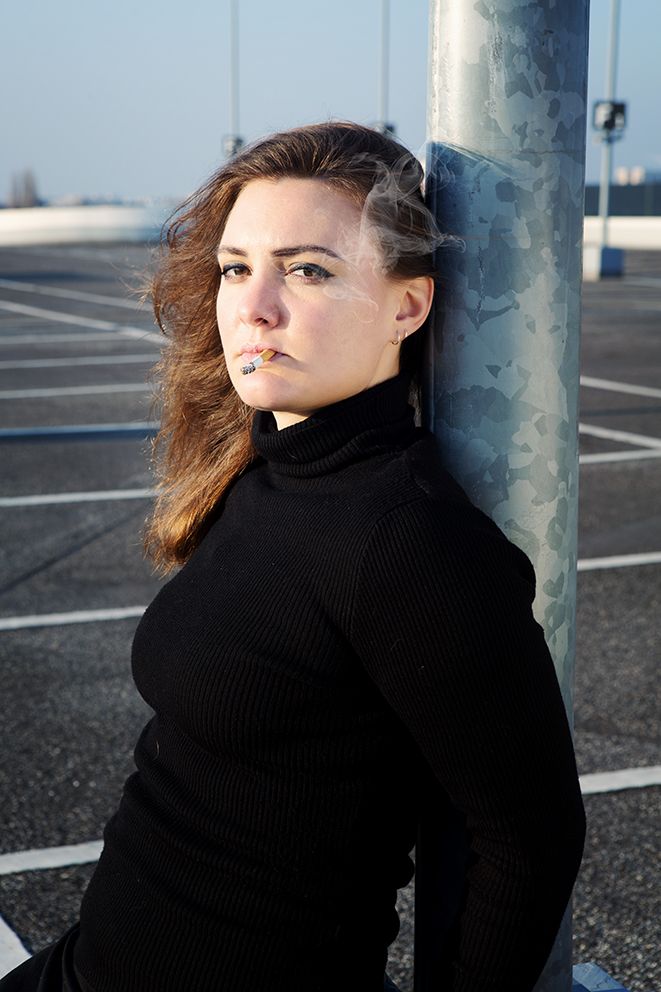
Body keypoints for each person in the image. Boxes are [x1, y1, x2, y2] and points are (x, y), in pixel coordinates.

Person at [0, 121, 585, 992]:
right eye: (236, 268)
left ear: (406, 306)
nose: (254, 307)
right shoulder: (258, 475)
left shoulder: (409, 540)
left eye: (307, 270)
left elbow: (529, 839)